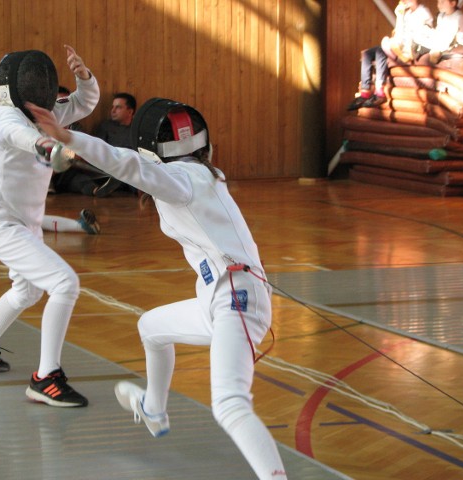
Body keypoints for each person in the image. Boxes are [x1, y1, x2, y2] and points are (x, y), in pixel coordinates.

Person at [27, 97, 287, 479]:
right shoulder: (198, 174)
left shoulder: (183, 180)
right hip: (217, 298)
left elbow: (128, 164)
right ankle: (154, 409)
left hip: (238, 299)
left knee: (230, 404)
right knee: (151, 327)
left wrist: (70, 137)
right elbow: (137, 167)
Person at [0, 45, 100, 408]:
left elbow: (83, 104)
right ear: (16, 87)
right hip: (2, 226)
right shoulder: (6, 119)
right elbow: (31, 141)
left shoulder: (42, 113)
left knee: (28, 291)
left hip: (26, 225)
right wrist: (53, 149)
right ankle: (46, 377)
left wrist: (83, 77)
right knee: (64, 283)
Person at [348, 0, 434, 110]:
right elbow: (399, 33)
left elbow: (421, 36)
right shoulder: (407, 13)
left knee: (381, 52)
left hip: (411, 49)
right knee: (367, 54)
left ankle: (380, 92)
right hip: (400, 46)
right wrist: (399, 16)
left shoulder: (423, 13)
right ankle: (365, 91)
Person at [50, 87, 121, 198]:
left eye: (65, 102)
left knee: (79, 180)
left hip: (68, 171)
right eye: (59, 102)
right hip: (47, 169)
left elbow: (82, 151)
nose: (62, 107)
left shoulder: (76, 126)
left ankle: (97, 190)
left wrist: (68, 157)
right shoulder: (45, 125)